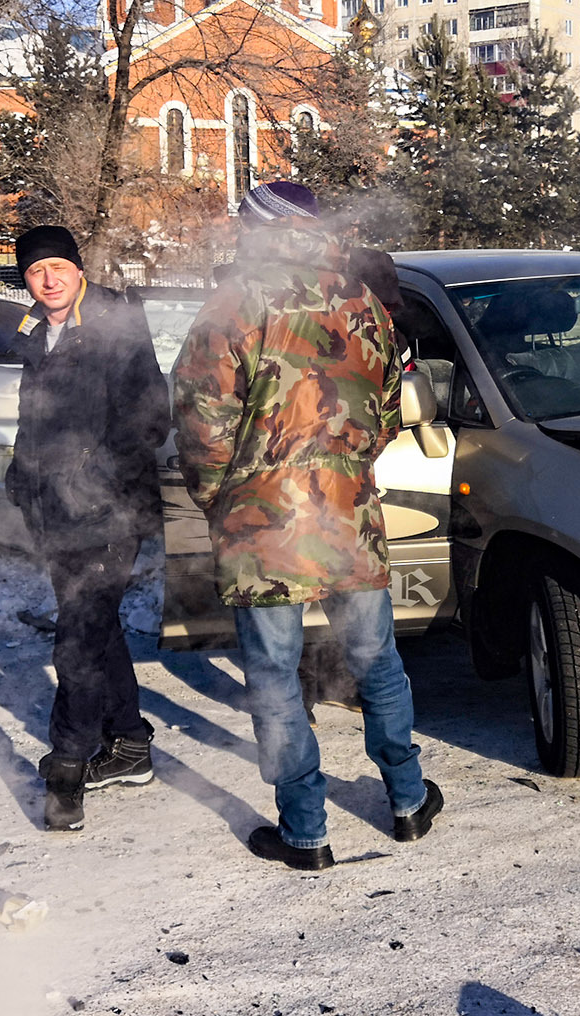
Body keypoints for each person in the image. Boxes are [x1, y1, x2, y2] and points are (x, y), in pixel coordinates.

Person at [173, 181, 442, 870]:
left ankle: (306, 831)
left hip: (264, 527)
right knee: (377, 660)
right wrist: (342, 475)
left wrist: (223, 502)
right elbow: (384, 417)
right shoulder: (364, 305)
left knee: (273, 674)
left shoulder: (233, 306)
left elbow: (202, 426)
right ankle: (408, 801)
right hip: (348, 516)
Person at [7, 224, 170, 831]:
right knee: (96, 630)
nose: (47, 280)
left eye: (57, 267)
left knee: (75, 639)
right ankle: (127, 743)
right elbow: (36, 415)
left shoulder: (115, 323)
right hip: (54, 509)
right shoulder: (35, 330)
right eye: (34, 271)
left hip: (110, 509)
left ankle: (68, 765)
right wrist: (20, 472)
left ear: (78, 269)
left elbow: (150, 416)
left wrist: (93, 475)